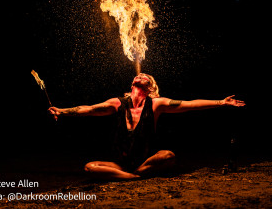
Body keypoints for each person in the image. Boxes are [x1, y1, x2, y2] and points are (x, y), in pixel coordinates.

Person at [48, 73, 245, 181]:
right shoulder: (117, 103)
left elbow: (189, 104)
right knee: (89, 167)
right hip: (120, 164)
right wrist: (62, 111)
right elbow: (89, 109)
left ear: (150, 88)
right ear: (133, 84)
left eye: (146, 76)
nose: (141, 74)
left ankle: (134, 174)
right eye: (140, 74)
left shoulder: (156, 104)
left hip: (145, 160)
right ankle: (133, 177)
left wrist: (221, 102)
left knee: (168, 155)